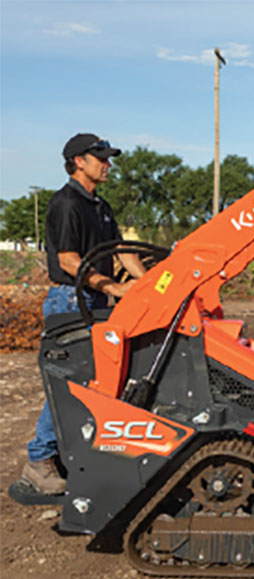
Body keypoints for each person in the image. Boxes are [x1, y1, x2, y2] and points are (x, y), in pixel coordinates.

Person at [20, 133, 146, 495]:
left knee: (96, 384)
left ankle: (71, 456)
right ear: (79, 161)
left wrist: (154, 282)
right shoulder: (66, 203)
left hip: (92, 302)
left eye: (108, 158)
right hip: (71, 302)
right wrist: (112, 287)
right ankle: (39, 460)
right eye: (101, 158)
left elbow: (121, 249)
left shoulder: (99, 206)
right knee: (68, 383)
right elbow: (68, 260)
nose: (108, 164)